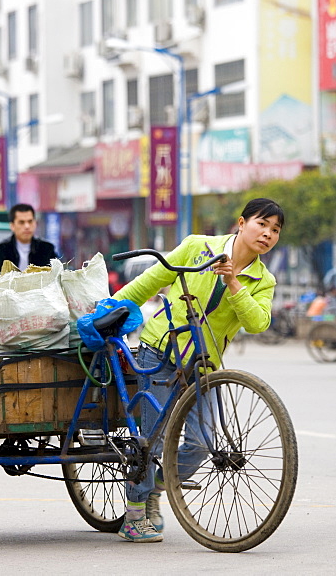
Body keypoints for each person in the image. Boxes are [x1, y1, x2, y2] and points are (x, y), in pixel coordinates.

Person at [111, 197, 283, 543]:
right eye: (261, 224)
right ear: (241, 222)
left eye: (275, 229)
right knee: (151, 439)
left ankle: (160, 487)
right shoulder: (197, 247)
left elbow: (257, 322)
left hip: (205, 366)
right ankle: (133, 515)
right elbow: (150, 281)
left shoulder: (263, 281)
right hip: (160, 350)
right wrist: (110, 307)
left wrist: (234, 283)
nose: (267, 233)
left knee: (203, 442)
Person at [0, 203, 59, 276]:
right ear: (12, 226)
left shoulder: (46, 249)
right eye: (21, 222)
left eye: (30, 221)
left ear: (35, 223)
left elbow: (57, 274)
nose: (27, 226)